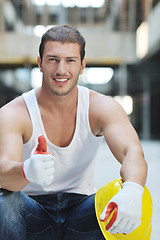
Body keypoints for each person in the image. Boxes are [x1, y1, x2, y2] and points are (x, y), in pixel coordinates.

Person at [0, 25, 148, 240]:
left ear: (82, 65)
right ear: (40, 63)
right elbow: (4, 172)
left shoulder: (101, 106)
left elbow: (132, 152)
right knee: (4, 202)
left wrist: (134, 189)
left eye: (70, 60)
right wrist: (26, 171)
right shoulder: (14, 113)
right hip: (31, 213)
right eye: (53, 60)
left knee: (131, 199)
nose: (61, 70)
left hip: (82, 213)